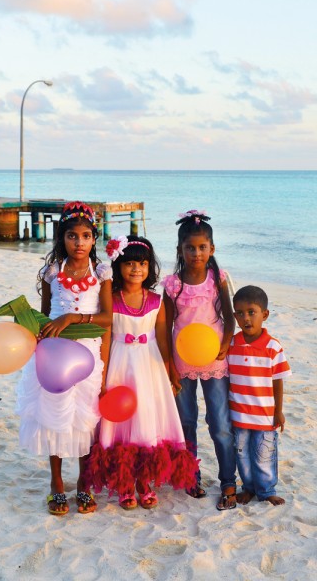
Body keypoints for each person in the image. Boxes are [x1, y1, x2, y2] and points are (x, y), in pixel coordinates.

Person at [86, 235, 198, 510]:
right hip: (120, 365)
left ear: (150, 268)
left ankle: (143, 482)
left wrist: (170, 372)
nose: (136, 269)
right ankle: (125, 484)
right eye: (130, 264)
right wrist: (102, 378)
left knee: (147, 419)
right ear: (119, 266)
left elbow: (163, 339)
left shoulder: (157, 300)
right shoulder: (111, 298)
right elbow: (107, 337)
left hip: (150, 366)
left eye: (143, 264)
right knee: (123, 421)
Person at [16, 201, 112, 516]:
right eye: (72, 236)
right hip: (54, 355)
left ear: (94, 238)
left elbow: (108, 319)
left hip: (87, 356)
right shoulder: (52, 271)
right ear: (63, 237)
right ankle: (57, 483)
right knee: (54, 417)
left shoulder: (102, 272)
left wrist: (72, 318)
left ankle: (84, 483)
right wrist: (34, 336)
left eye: (86, 236)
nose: (79, 242)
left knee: (84, 419)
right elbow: (45, 316)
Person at [162, 210, 237, 511]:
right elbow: (165, 327)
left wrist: (226, 343)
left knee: (219, 423)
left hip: (215, 362)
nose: (196, 253)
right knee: (187, 421)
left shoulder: (218, 278)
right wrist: (169, 363)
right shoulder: (172, 284)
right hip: (181, 362)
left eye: (202, 247)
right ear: (180, 250)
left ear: (212, 249)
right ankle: (190, 475)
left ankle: (228, 481)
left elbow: (229, 317)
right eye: (190, 248)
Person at [228, 285, 291, 506]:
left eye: (252, 312)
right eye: (240, 313)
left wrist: (278, 411)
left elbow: (278, 380)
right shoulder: (232, 344)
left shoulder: (273, 347)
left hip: (264, 416)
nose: (246, 318)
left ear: (264, 314)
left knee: (264, 454)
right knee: (242, 454)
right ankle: (249, 488)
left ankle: (266, 490)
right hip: (239, 415)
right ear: (235, 315)